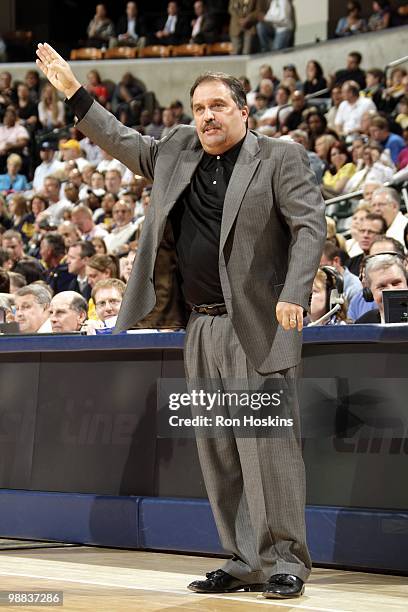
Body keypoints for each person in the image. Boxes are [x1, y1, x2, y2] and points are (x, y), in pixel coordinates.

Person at [36, 42, 326, 599]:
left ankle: (285, 560)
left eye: (219, 105)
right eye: (199, 108)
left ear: (244, 110)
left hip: (258, 327)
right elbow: (121, 141)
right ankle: (245, 560)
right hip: (200, 327)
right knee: (218, 451)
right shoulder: (176, 149)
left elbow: (310, 227)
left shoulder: (280, 157)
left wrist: (295, 291)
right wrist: (74, 91)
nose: (208, 117)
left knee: (268, 450)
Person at [355, 254, 408, 323]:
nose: (391, 290)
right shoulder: (362, 324)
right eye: (382, 286)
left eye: (396, 283)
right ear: (370, 292)